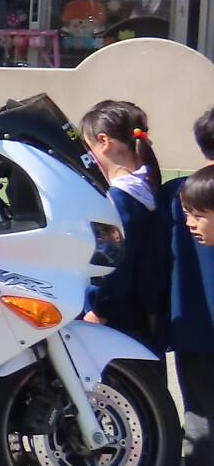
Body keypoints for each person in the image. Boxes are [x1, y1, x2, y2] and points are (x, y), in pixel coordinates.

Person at [79, 100, 167, 342]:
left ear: (104, 141)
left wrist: (99, 310)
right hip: (147, 316)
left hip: (117, 322)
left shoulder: (117, 199)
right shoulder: (152, 186)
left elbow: (115, 263)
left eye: (87, 146)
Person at [166, 116, 214, 466]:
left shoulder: (180, 192)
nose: (190, 221)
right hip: (196, 330)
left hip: (196, 329)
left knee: (201, 410)